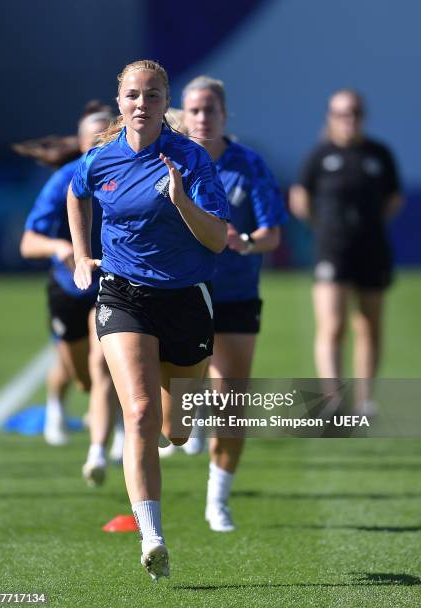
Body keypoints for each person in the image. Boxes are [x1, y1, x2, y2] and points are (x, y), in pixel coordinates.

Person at [67, 60, 229, 581]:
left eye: (152, 95)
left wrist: (181, 199)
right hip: (123, 293)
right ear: (120, 103)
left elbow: (217, 238)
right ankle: (152, 536)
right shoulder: (100, 160)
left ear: (165, 102)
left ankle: (176, 427)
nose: (142, 104)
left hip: (185, 298)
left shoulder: (192, 159)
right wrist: (79, 254)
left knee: (176, 431)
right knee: (137, 413)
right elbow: (76, 192)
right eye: (133, 95)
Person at [160, 76, 288, 533]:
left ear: (225, 114)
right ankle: (182, 420)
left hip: (233, 295)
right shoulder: (167, 159)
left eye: (210, 109)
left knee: (231, 399)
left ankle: (218, 500)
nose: (201, 118)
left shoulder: (248, 165)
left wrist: (245, 242)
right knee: (173, 399)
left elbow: (272, 233)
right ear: (182, 114)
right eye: (194, 110)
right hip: (179, 291)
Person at [20, 103, 121, 486]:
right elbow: (28, 243)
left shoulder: (126, 172)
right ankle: (58, 408)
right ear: (78, 144)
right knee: (83, 378)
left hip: (113, 286)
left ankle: (108, 444)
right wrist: (60, 249)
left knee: (104, 365)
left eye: (105, 133)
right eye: (90, 136)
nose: (98, 141)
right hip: (68, 288)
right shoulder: (63, 181)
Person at [289, 89, 402, 413]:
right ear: (330, 116)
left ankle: (366, 399)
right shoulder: (320, 155)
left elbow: (393, 199)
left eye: (354, 112)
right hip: (332, 250)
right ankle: (334, 397)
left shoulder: (378, 154)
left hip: (372, 248)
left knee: (368, 324)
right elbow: (301, 199)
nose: (348, 119)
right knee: (332, 325)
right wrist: (325, 228)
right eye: (341, 113)